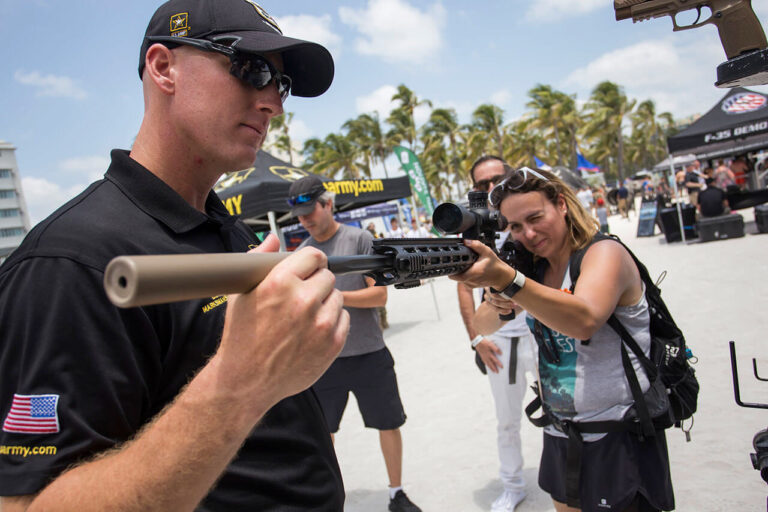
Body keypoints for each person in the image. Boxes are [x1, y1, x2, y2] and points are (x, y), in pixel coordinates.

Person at [0, 2, 349, 511]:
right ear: (164, 67)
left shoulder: (224, 227)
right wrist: (238, 383)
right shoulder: (67, 262)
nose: (273, 103)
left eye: (282, 84)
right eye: (253, 70)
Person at [452, 167, 675, 512]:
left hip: (619, 434)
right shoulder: (534, 268)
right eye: (515, 227)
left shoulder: (603, 253)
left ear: (561, 204)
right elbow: (483, 323)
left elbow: (584, 321)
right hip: (559, 431)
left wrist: (510, 282)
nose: (528, 234)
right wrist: (498, 295)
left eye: (535, 218)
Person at [290, 175, 421, 512]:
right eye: (299, 215)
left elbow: (379, 296)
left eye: (310, 211)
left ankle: (397, 493)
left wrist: (332, 295)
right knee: (323, 435)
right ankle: (329, 498)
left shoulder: (360, 238)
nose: (304, 220)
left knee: (389, 424)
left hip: (369, 353)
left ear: (328, 204)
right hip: (325, 360)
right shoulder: (302, 254)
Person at [456, 155, 535, 512]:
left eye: (498, 179)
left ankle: (570, 476)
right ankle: (513, 485)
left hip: (544, 329)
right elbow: (462, 287)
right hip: (500, 338)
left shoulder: (528, 220)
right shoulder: (472, 231)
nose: (490, 188)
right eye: (482, 184)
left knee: (565, 410)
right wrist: (476, 339)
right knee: (507, 421)